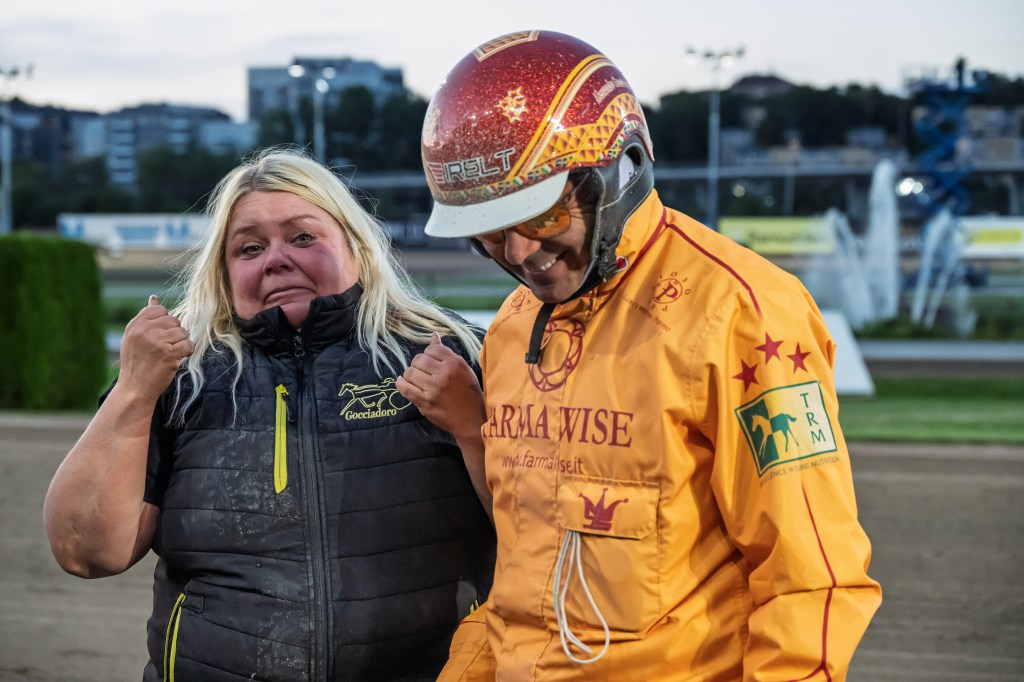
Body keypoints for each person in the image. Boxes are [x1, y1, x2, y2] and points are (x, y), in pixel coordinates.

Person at [399, 30, 882, 680]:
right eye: (487, 233)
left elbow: (811, 577)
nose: (518, 254)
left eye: (540, 217)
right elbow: (521, 566)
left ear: (618, 170)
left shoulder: (742, 312)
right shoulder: (514, 326)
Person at [43, 148, 496, 681]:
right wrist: (132, 391)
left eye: (302, 237)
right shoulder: (180, 380)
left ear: (357, 248)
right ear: (224, 273)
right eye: (250, 248)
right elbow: (86, 552)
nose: (276, 259)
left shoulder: (456, 355)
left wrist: (473, 428)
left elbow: (542, 533)